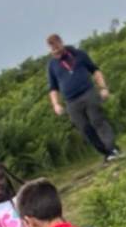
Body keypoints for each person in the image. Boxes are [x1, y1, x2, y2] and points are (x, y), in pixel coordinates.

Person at [46, 33, 121, 162]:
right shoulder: (52, 65)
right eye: (52, 49)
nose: (55, 51)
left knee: (97, 120)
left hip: (88, 93)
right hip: (71, 102)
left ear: (61, 43)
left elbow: (95, 71)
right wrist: (56, 104)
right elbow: (53, 88)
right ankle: (106, 153)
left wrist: (103, 88)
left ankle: (112, 148)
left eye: (56, 47)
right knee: (85, 129)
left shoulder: (79, 54)